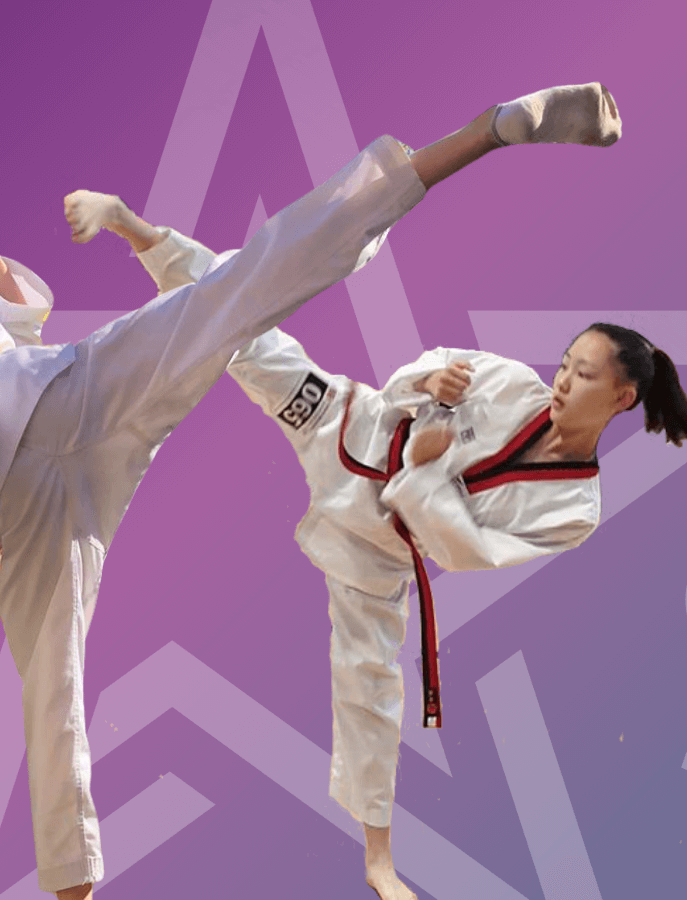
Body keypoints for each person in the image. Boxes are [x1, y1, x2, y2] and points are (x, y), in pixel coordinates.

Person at [0, 82, 623, 899]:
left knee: (50, 686)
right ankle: (484, 135)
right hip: (70, 411)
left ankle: (73, 890)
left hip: (31, 480)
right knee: (242, 289)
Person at [78, 84, 680, 900]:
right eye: (565, 363)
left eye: (582, 377)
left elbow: (464, 545)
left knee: (368, 691)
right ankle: (139, 230)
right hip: (340, 425)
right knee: (247, 326)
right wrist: (425, 378)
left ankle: (376, 861)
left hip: (377, 549)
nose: (562, 380)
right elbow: (408, 385)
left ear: (623, 400)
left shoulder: (575, 507)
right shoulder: (511, 383)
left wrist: (430, 465)